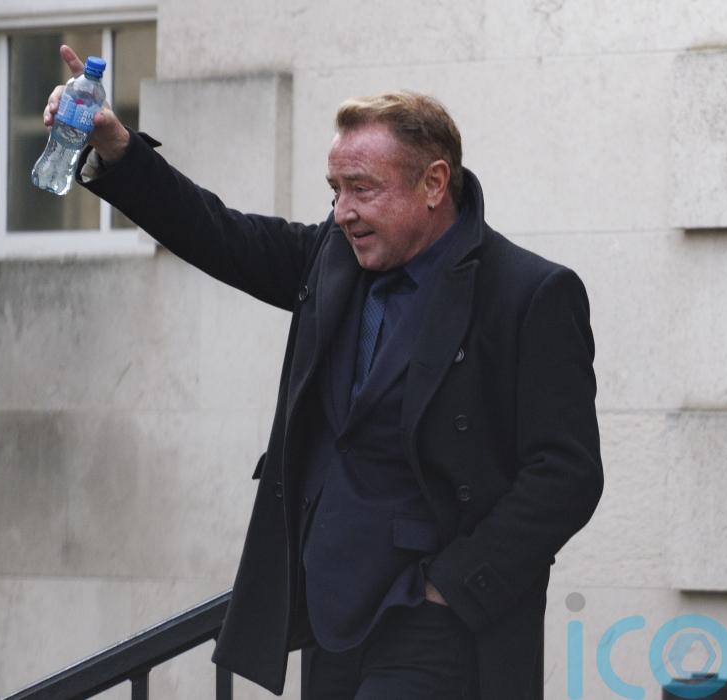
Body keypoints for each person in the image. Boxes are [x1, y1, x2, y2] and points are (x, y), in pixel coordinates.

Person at [45, 44, 604, 700]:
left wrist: (452, 587)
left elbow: (566, 475)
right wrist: (118, 148)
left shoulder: (529, 293)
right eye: (335, 190)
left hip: (439, 625)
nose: (343, 212)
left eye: (362, 189)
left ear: (433, 184)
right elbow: (217, 233)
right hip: (331, 614)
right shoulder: (331, 258)